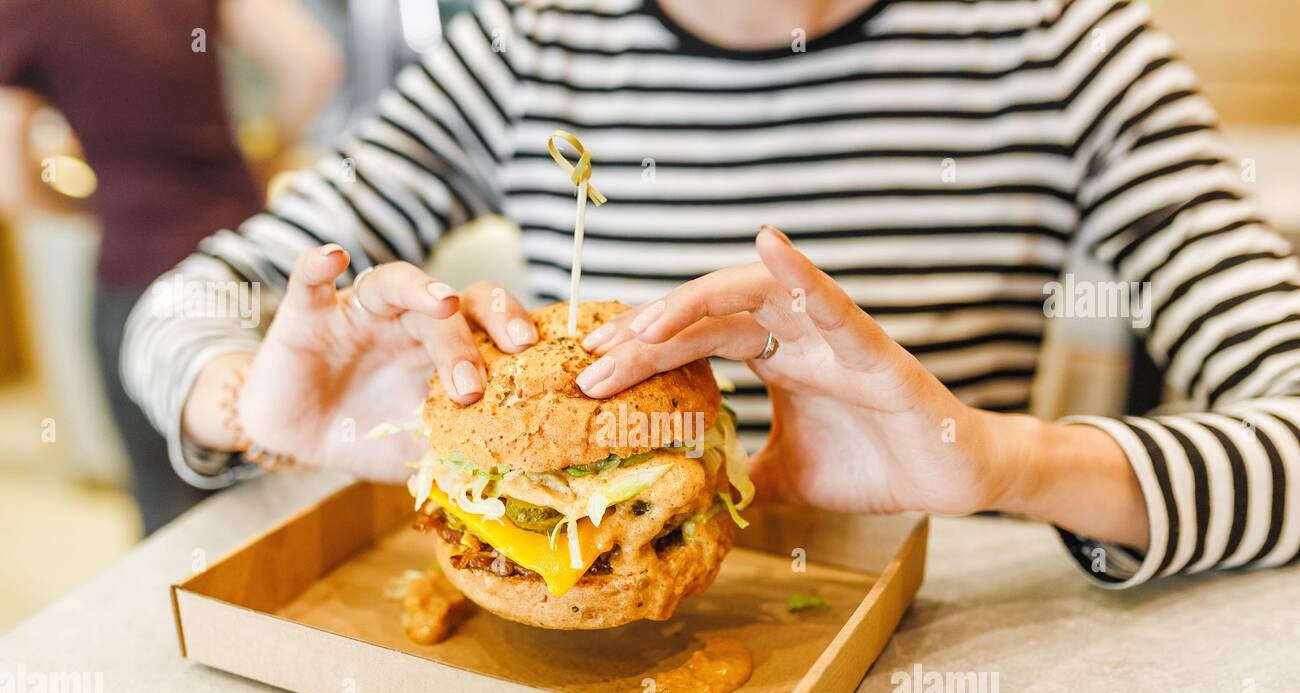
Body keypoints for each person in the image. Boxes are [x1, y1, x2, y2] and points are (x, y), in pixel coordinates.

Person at [126, 0, 1299, 588]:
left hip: (949, 648)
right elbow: (188, 300)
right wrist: (247, 403)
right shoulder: (530, 43)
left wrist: (1008, 463)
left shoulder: (1062, 42)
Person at [0, 0, 342, 533]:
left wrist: (92, 205)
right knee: (287, 491)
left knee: (170, 509)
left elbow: (10, 179)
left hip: (139, 281)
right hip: (250, 262)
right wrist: (268, 149)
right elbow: (312, 61)